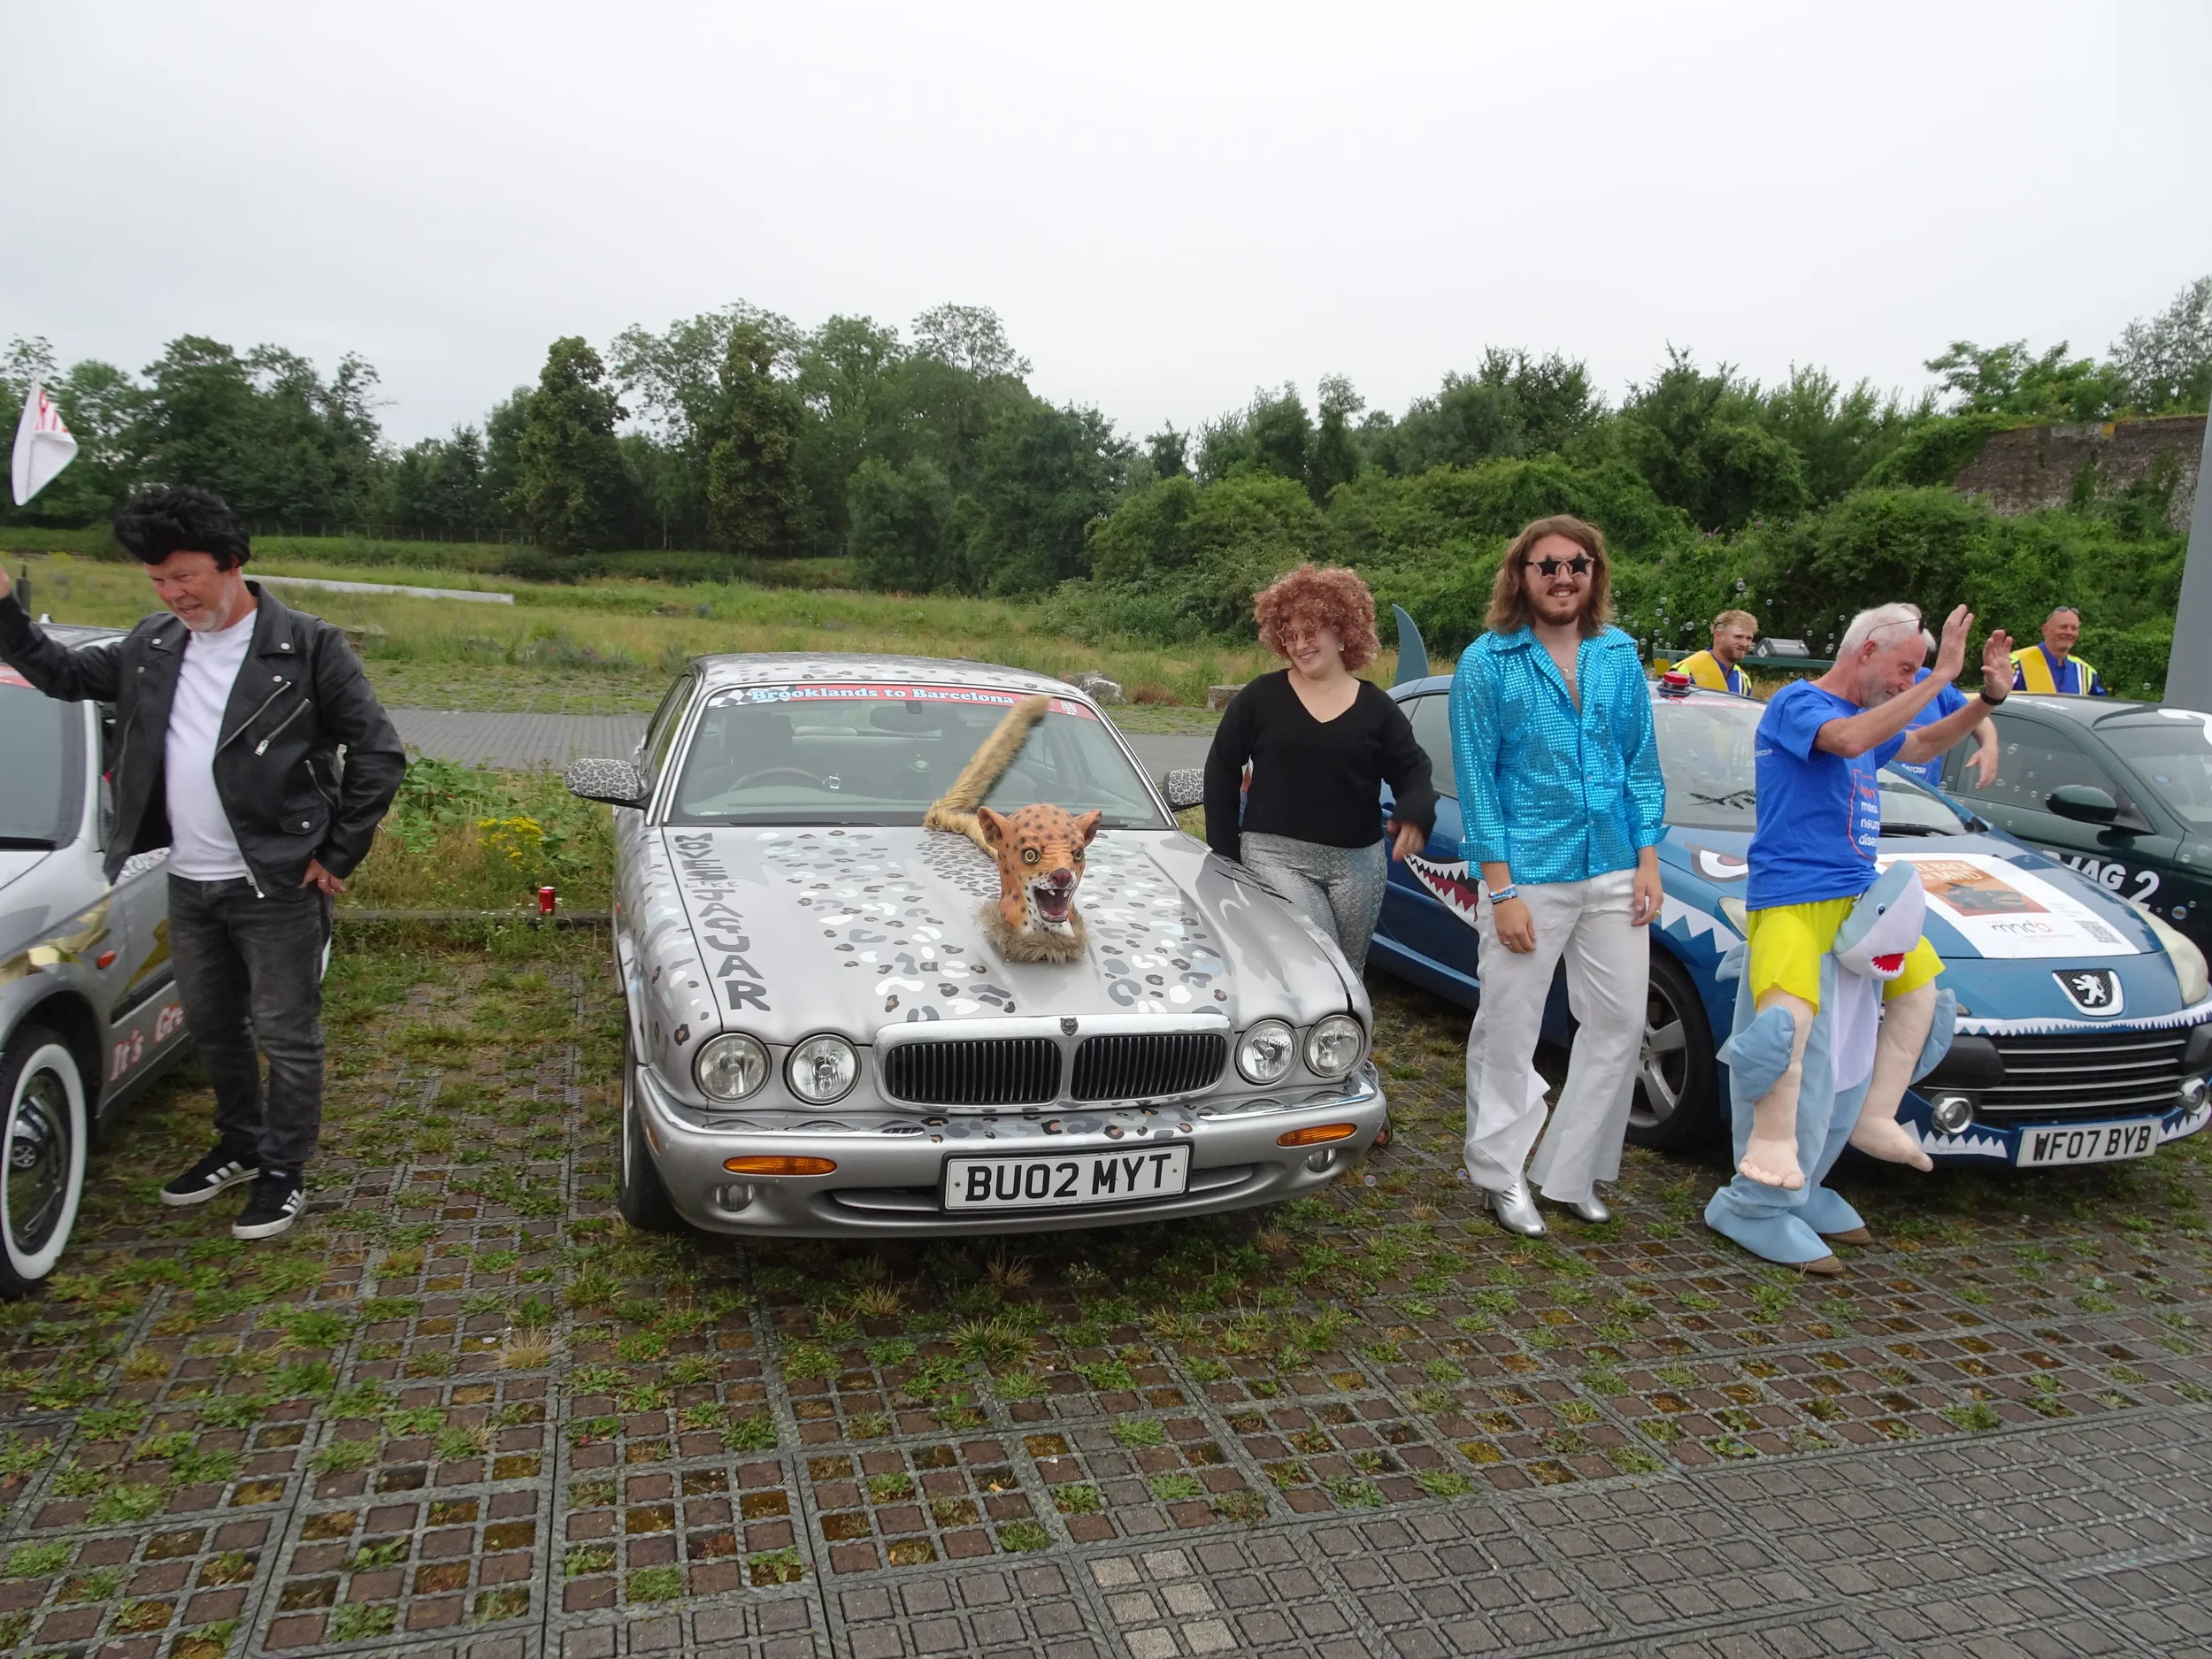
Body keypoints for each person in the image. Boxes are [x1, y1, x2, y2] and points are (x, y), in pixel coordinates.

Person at [0, 487, 405, 1240]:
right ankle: (241, 1144)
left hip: (277, 882)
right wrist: (4, 610)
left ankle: (284, 1170)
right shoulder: (152, 645)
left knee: (285, 1034)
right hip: (189, 879)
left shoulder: (309, 646)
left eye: (184, 576)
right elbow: (57, 675)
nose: (172, 594)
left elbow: (378, 752)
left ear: (233, 563)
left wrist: (336, 851)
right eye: (156, 580)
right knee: (213, 1026)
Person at [1734, 602, 2014, 1194]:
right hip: (1793, 892)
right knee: (1787, 1024)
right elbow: (1846, 738)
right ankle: (1772, 1145)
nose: (1907, 682)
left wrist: (1985, 702)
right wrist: (1940, 679)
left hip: (1861, 901)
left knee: (1922, 996)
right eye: (1905, 668)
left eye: (1917, 672)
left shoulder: (1869, 722)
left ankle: (1873, 1114)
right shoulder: (1800, 703)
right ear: (1866, 651)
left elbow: (1919, 746)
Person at [1450, 515, 1664, 1237]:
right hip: (1528, 873)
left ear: (1594, 573)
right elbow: (1478, 782)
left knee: (1619, 1020)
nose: (1563, 576)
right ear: (1521, 576)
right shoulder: (1488, 662)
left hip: (1612, 864)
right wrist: (1500, 889)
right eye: (1547, 565)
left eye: (1577, 563)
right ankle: (1500, 1171)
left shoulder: (1618, 655)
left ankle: (1571, 1171)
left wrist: (1648, 858)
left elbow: (1639, 762)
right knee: (1510, 1024)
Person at [1203, 564, 1436, 979]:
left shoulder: (1377, 708)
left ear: (1343, 630)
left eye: (1311, 632)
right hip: (1274, 856)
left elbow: (1413, 769)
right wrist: (1226, 855)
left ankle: (1341, 1044)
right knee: (1320, 961)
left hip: (1358, 864)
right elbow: (1221, 766)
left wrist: (1416, 812)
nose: (1300, 644)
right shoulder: (1261, 697)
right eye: (1289, 635)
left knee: (1349, 972)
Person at [1899, 626, 1999, 792]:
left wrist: (1989, 745)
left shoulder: (1931, 681)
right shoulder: (1870, 689)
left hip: (1922, 800)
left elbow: (1976, 716)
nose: (1910, 679)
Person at [2009, 606, 2105, 695]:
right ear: (2045, 630)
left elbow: (2097, 707)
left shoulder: (2084, 671)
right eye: (2063, 627)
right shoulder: (2016, 662)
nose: (2069, 632)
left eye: (2074, 628)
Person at [1677, 609, 1758, 695]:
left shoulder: (1743, 679)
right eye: (1738, 637)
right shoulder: (1685, 672)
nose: (1744, 644)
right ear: (1718, 635)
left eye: (1749, 638)